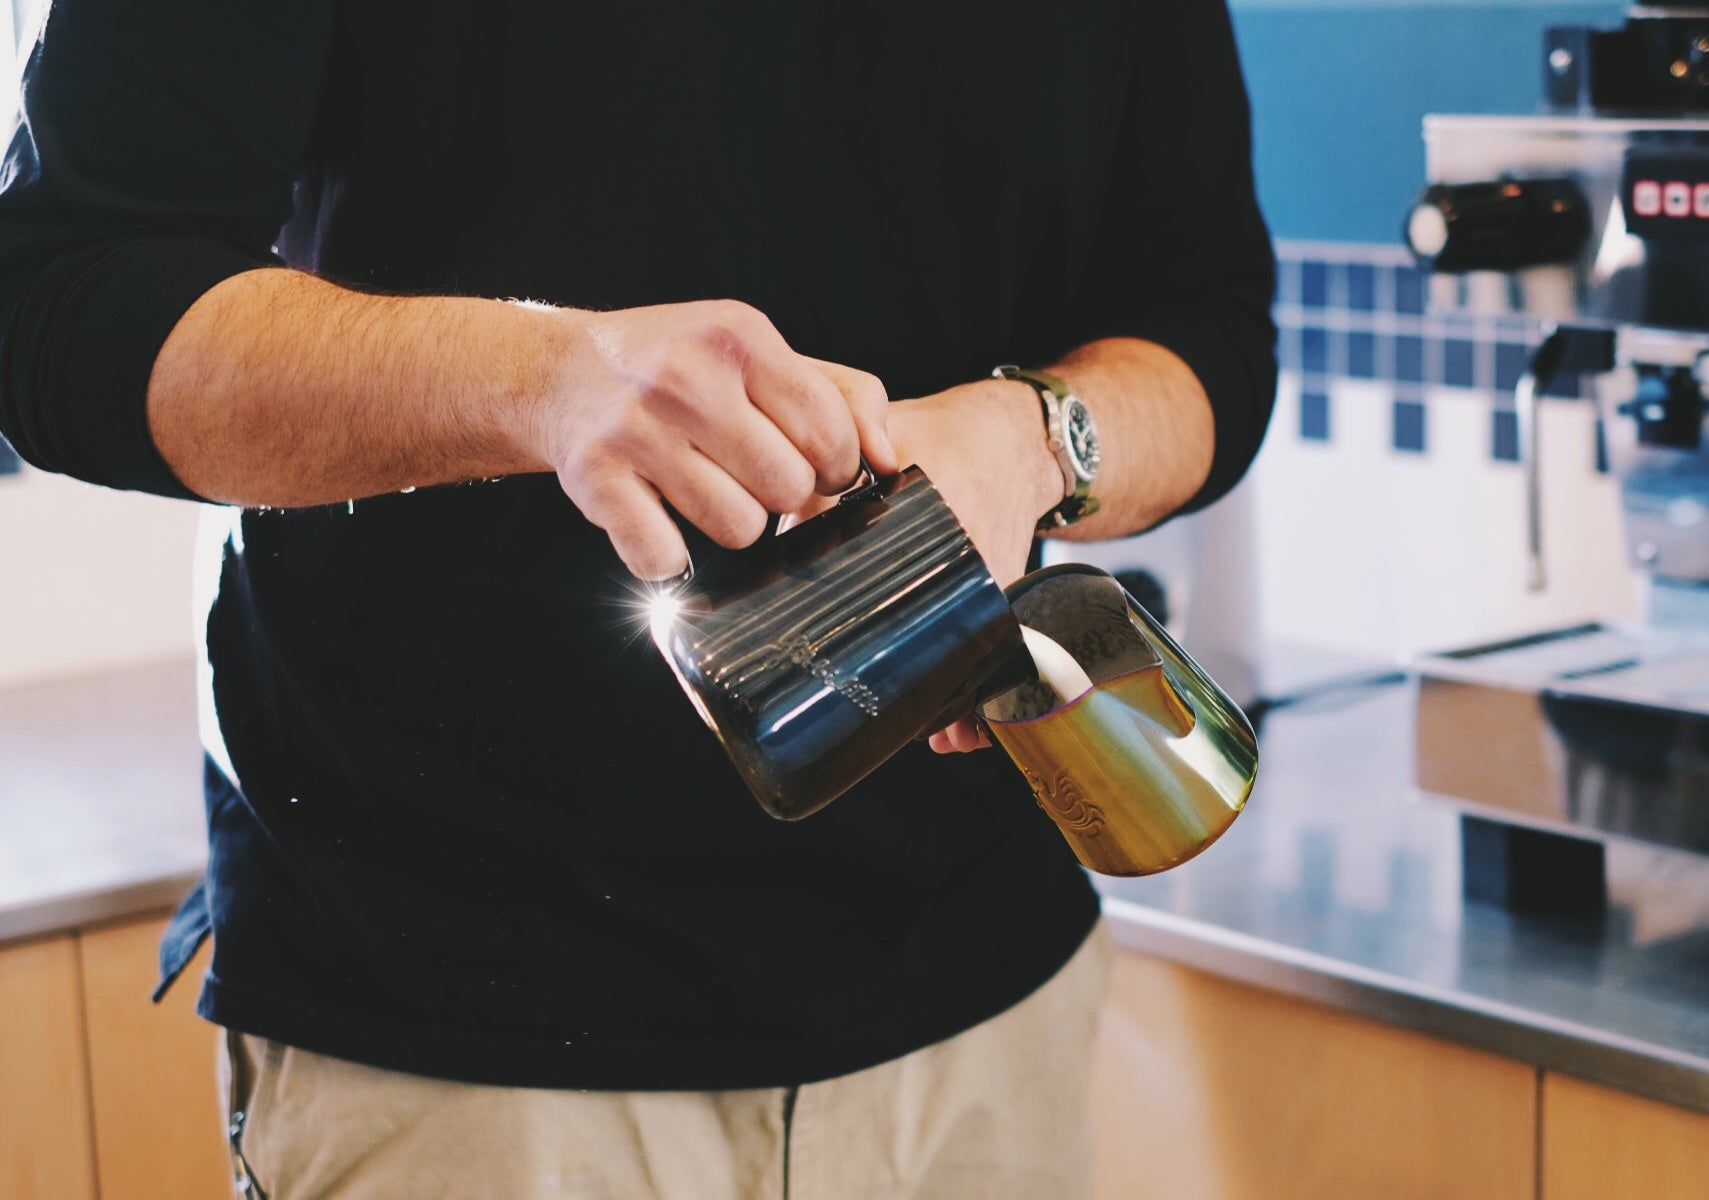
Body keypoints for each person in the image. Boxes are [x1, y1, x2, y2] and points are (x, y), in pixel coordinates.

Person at [0, 0, 1275, 1194]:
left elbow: (1210, 334)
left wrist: (1032, 439)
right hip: (465, 1054)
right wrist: (543, 379)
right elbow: (59, 300)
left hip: (987, 1019)